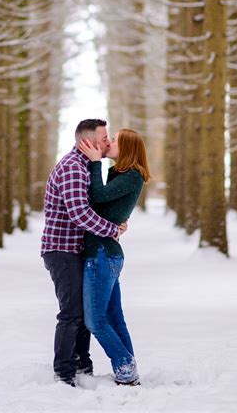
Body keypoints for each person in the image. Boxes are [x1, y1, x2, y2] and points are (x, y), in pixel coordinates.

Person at [41, 119, 128, 388]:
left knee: (82, 309)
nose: (107, 142)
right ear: (87, 141)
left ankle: (82, 365)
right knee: (71, 313)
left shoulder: (84, 166)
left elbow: (93, 206)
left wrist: (115, 221)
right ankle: (65, 373)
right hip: (61, 250)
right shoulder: (72, 168)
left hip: (75, 249)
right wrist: (110, 229)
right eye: (104, 138)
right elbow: (80, 214)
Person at [78, 129, 151, 386]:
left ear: (128, 149)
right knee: (114, 317)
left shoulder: (132, 175)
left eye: (115, 140)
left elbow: (97, 197)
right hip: (104, 253)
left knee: (95, 321)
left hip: (102, 254)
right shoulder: (120, 174)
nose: (109, 142)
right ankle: (128, 370)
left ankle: (126, 369)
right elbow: (105, 207)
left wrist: (96, 162)